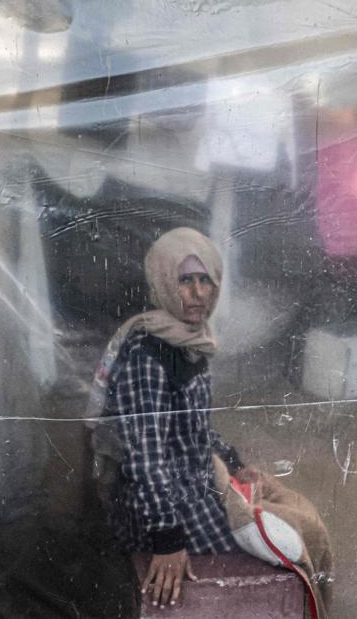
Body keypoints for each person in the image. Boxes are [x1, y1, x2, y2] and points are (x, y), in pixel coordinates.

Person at [91, 227, 244, 609]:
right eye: (184, 281)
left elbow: (193, 428)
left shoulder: (191, 340)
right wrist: (167, 539)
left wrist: (233, 462)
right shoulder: (149, 354)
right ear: (162, 282)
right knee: (232, 569)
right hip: (156, 506)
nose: (197, 294)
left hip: (191, 487)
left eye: (205, 281)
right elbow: (145, 456)